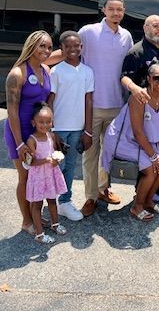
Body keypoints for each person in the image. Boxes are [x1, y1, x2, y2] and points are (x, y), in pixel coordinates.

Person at [46, 0, 133, 217]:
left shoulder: (126, 36)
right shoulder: (88, 31)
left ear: (124, 11)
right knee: (90, 154)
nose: (116, 13)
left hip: (117, 104)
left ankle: (103, 190)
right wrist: (39, 63)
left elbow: (131, 63)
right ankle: (91, 197)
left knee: (108, 153)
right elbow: (68, 50)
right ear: (104, 10)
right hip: (92, 107)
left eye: (120, 9)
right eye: (111, 9)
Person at [101, 63, 159, 222]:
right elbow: (137, 132)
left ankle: (148, 201)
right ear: (149, 79)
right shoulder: (138, 97)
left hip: (144, 139)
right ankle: (137, 206)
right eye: (157, 78)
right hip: (123, 140)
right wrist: (153, 156)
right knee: (151, 169)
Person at [121, 15, 159, 198]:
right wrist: (134, 88)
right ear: (145, 28)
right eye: (155, 26)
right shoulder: (136, 52)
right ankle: (143, 188)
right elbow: (124, 77)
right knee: (146, 146)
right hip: (144, 107)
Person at [4, 30, 53, 236]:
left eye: (49, 47)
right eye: (42, 46)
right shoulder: (17, 74)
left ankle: (35, 215)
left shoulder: (46, 70)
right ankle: (26, 220)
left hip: (38, 132)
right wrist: (19, 143)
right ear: (31, 46)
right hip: (19, 132)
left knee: (37, 175)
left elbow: (47, 103)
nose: (46, 50)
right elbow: (12, 111)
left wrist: (48, 132)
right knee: (25, 176)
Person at [47, 31, 95, 222]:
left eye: (76, 46)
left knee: (70, 166)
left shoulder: (87, 71)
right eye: (68, 46)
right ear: (61, 48)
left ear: (81, 47)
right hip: (59, 128)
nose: (73, 49)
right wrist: (51, 130)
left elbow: (89, 101)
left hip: (77, 128)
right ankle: (51, 201)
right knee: (57, 165)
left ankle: (65, 201)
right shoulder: (56, 71)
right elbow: (50, 101)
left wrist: (88, 131)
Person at [24, 102, 68, 244]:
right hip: (38, 177)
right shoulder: (32, 140)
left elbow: (56, 152)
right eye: (41, 122)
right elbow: (30, 162)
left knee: (52, 200)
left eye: (48, 121)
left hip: (50, 175)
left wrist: (57, 160)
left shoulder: (52, 136)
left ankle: (55, 224)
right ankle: (39, 234)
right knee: (37, 204)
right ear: (34, 122)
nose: (45, 125)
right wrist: (45, 160)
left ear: (52, 122)